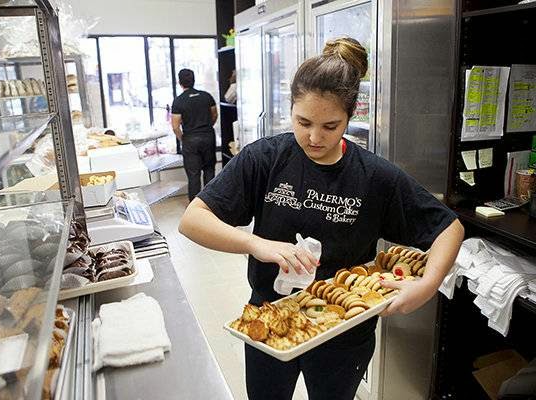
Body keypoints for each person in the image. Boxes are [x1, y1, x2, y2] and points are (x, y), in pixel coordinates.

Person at [178, 37, 464, 400]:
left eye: (330, 126)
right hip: (270, 316)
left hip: (343, 329)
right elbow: (193, 219)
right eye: (303, 122)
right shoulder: (266, 159)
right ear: (291, 108)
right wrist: (255, 242)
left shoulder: (374, 176)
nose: (314, 138)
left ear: (350, 115)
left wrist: (426, 287)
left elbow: (448, 228)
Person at [171, 68, 218, 201]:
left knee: (193, 175)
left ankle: (195, 207)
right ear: (193, 80)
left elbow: (175, 126)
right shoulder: (206, 96)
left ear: (179, 82)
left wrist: (183, 138)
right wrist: (206, 127)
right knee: (210, 170)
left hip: (190, 139)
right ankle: (211, 203)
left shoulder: (179, 101)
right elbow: (214, 115)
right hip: (208, 136)